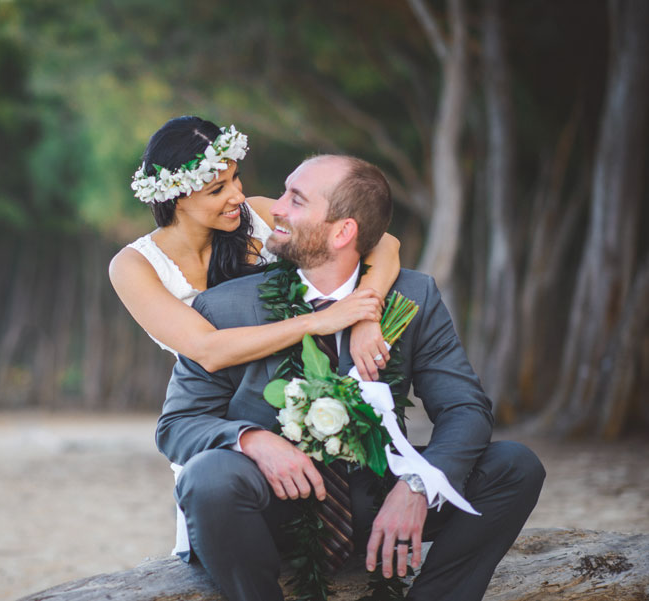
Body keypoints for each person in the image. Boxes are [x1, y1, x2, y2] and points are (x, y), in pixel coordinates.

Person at [156, 154, 545, 601]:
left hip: (375, 497)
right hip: (268, 511)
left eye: (296, 200)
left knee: (515, 467)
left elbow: (465, 408)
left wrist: (418, 483)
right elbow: (178, 425)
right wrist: (253, 441)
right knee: (209, 477)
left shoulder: (413, 296)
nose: (273, 208)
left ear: (343, 232)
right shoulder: (225, 307)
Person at [109, 116, 400, 382]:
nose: (238, 195)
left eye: (235, 177)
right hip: (224, 401)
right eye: (217, 189)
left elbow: (384, 242)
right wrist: (319, 321)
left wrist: (363, 313)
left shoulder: (259, 214)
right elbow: (207, 350)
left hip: (311, 380)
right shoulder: (134, 267)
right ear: (176, 198)